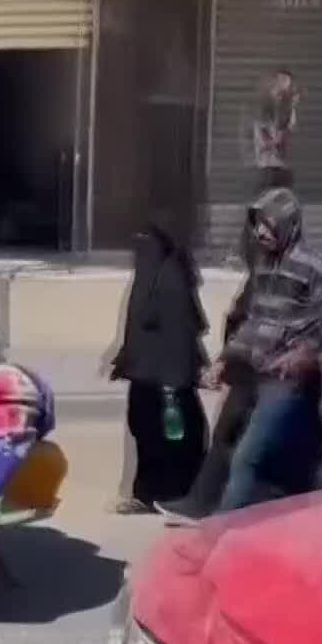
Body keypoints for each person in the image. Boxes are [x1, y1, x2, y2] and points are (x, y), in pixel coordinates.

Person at [204, 188, 322, 513]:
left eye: (268, 225)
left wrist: (304, 353)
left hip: (289, 383)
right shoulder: (263, 267)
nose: (260, 233)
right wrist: (223, 361)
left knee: (247, 457)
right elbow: (254, 323)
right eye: (257, 225)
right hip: (257, 376)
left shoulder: (314, 266)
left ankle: (218, 533)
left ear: (288, 224)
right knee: (303, 460)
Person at [110, 213, 209, 514]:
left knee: (171, 438)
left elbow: (180, 334)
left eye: (146, 241)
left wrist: (175, 378)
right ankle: (149, 494)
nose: (139, 249)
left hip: (167, 379)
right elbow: (138, 328)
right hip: (148, 375)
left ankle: (176, 494)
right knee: (145, 430)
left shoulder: (170, 279)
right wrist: (127, 357)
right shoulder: (150, 275)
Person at [250, 69, 299, 193]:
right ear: (274, 82)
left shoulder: (287, 104)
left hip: (279, 160)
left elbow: (289, 128)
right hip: (267, 159)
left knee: (282, 190)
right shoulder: (264, 102)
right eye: (281, 80)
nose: (284, 84)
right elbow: (261, 128)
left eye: (287, 81)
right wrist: (272, 141)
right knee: (266, 191)